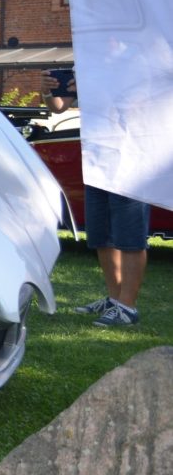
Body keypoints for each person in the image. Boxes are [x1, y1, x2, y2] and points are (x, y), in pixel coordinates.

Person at [42, 69, 148, 327]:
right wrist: (47, 90)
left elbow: (144, 104)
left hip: (130, 156)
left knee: (130, 235)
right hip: (96, 159)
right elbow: (58, 107)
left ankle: (128, 307)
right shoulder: (87, 61)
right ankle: (115, 300)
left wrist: (95, 87)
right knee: (102, 234)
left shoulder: (138, 61)